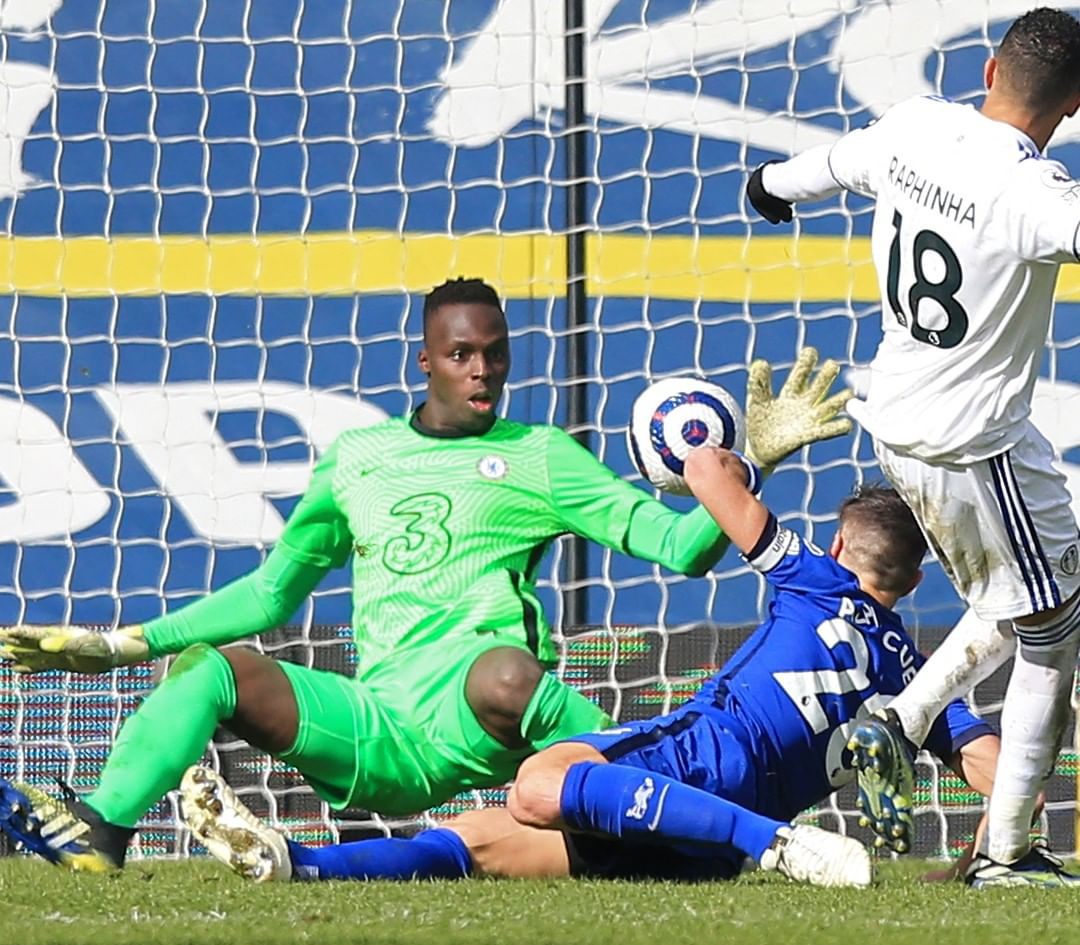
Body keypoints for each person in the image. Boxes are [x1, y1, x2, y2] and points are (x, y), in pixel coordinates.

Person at [0, 278, 849, 873]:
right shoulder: (357, 459)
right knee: (211, 674)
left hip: (481, 714)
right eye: (463, 354)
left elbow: (680, 548)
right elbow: (271, 594)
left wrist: (745, 468)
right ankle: (100, 835)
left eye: (496, 355)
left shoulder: (539, 456)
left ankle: (669, 809)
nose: (482, 370)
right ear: (426, 361)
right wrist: (117, 643)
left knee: (509, 671)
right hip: (374, 723)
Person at [178, 468, 998, 890]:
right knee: (479, 842)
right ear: (916, 583)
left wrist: (724, 446)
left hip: (703, 765)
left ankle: (782, 847)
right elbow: (986, 757)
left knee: (539, 785)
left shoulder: (812, 577)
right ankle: (297, 866)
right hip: (702, 845)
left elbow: (711, 479)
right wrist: (996, 845)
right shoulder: (916, 674)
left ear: (838, 544)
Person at [745, 7, 1080, 886]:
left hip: (895, 422)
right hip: (975, 447)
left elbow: (821, 168)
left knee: (1021, 589)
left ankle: (901, 719)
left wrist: (768, 186)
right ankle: (1006, 853)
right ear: (1074, 106)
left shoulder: (914, 127)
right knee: (1052, 624)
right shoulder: (1034, 192)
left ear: (987, 72)